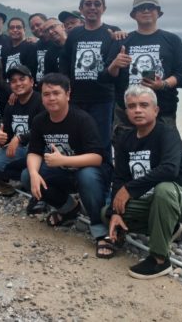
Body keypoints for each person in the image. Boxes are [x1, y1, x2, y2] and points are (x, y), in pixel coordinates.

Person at [105, 85, 182, 278]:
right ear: (126, 112)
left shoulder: (167, 133)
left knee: (164, 189)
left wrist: (129, 189)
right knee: (106, 213)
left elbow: (169, 169)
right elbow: (120, 177)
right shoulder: (125, 139)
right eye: (132, 106)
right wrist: (115, 212)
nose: (137, 110)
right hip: (152, 201)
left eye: (144, 105)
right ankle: (169, 227)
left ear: (155, 110)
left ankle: (159, 259)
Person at [23, 73, 111, 255]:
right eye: (46, 94)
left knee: (87, 176)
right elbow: (34, 151)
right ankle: (69, 208)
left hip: (89, 172)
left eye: (56, 93)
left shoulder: (82, 119)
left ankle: (101, 231)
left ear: (68, 94)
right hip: (62, 172)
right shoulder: (40, 120)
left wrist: (64, 160)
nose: (51, 98)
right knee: (27, 175)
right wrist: (33, 173)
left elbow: (97, 157)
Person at [106, 0, 182, 139]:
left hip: (163, 111)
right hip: (126, 113)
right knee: (125, 151)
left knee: (165, 151)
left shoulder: (172, 40)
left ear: (158, 12)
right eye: (141, 8)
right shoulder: (122, 41)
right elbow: (106, 77)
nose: (146, 10)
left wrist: (162, 84)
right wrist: (115, 65)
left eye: (150, 7)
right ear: (133, 15)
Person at [60, 0, 122, 156]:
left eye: (97, 4)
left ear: (104, 8)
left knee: (102, 141)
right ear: (81, 9)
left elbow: (116, 62)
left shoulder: (112, 32)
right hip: (76, 98)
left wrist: (121, 35)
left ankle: (104, 170)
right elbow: (65, 60)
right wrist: (65, 86)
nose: (92, 7)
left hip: (103, 98)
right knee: (77, 138)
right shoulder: (75, 34)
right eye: (88, 4)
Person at [0, 64, 44, 199]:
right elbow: (6, 130)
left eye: (22, 79)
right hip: (20, 149)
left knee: (26, 175)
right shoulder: (11, 103)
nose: (18, 83)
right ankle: (26, 175)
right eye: (13, 81)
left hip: (39, 148)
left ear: (31, 81)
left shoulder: (41, 100)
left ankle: (32, 175)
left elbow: (43, 129)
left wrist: (19, 138)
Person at [28, 13, 51, 87]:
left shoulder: (57, 43)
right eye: (32, 27)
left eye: (38, 25)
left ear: (46, 23)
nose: (36, 28)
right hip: (39, 88)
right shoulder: (34, 46)